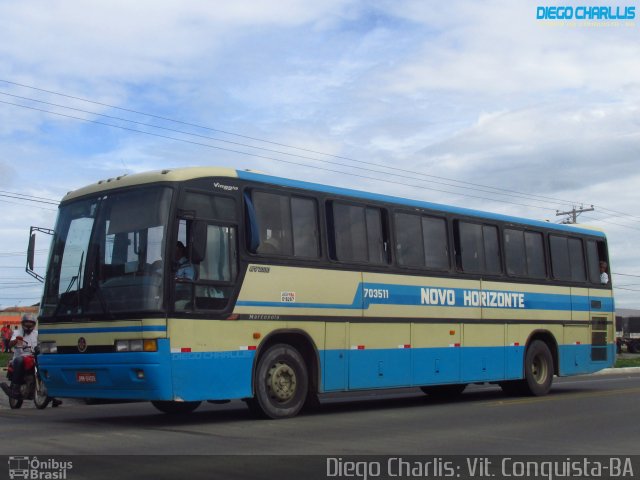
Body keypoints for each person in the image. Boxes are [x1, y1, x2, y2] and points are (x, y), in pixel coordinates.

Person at [1, 314, 38, 399]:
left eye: (31, 323)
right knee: (19, 360)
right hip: (20, 356)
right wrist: (16, 340)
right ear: (23, 324)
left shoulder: (36, 333)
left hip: (33, 357)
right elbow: (10, 345)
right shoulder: (17, 332)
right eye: (27, 323)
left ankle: (52, 394)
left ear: (34, 324)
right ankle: (16, 388)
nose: (29, 325)